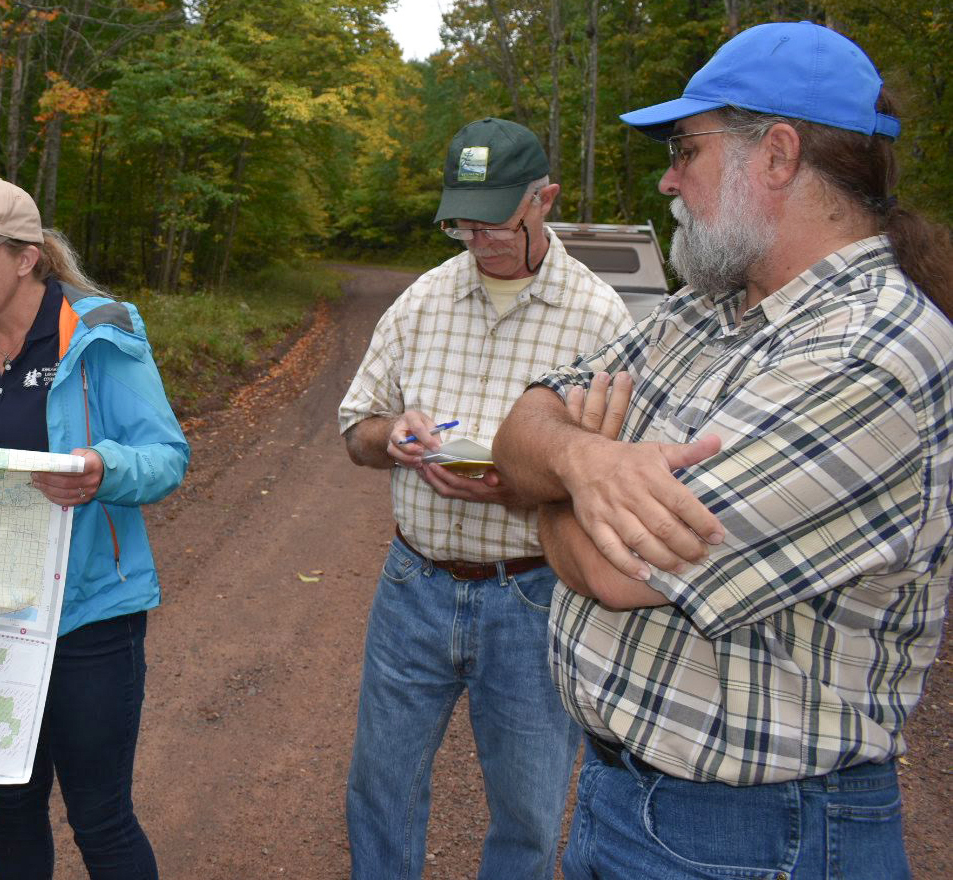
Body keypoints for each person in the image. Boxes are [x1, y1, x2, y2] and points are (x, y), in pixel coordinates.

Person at [491, 21, 953, 880]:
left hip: (761, 839)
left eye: (685, 149)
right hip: (626, 800)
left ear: (777, 155)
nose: (668, 178)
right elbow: (520, 427)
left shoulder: (875, 352)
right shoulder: (703, 311)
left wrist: (550, 483)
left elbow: (615, 572)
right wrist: (586, 465)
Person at [336, 118, 632, 879]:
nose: (480, 235)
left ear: (546, 200)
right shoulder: (421, 302)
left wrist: (530, 487)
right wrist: (391, 436)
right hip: (414, 585)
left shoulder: (599, 318)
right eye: (466, 218)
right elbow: (355, 431)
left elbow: (615, 474)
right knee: (380, 787)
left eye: (498, 216)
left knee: (529, 813)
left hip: (533, 596)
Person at [0, 178, 188, 879]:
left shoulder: (99, 335)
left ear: (26, 256)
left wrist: (102, 467)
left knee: (100, 816)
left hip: (90, 616)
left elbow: (167, 457)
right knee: (13, 807)